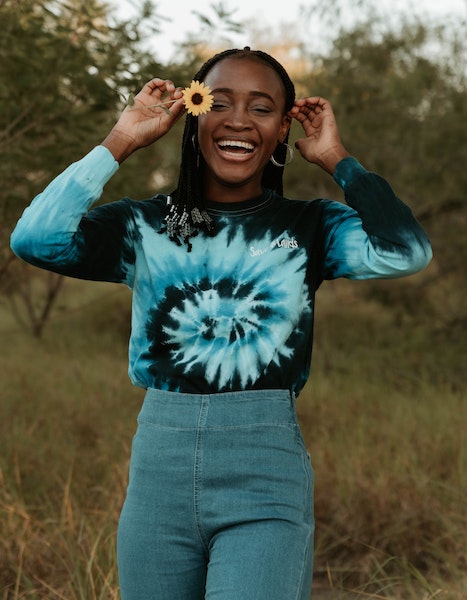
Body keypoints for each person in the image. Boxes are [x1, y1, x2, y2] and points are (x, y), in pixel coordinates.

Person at [10, 48, 432, 599]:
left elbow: (407, 251)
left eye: (261, 109)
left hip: (266, 472)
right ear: (193, 112)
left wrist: (337, 159)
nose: (238, 121)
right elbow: (35, 239)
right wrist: (122, 140)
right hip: (158, 474)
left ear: (282, 130)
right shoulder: (144, 226)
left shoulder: (311, 226)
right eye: (220, 102)